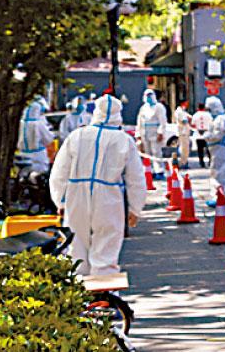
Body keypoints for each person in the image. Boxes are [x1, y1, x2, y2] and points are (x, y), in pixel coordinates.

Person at [49, 94, 147, 276]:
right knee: (106, 251)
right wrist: (135, 208)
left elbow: (59, 172)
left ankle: (79, 291)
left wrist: (60, 201)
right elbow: (136, 179)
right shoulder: (124, 140)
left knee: (76, 251)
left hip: (76, 196)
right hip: (109, 199)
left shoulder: (77, 136)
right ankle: (104, 291)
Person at [204, 97, 225, 206]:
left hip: (220, 149)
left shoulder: (221, 119)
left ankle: (219, 197)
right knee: (215, 173)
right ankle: (217, 196)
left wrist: (207, 136)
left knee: (219, 174)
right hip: (216, 150)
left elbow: (217, 134)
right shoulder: (217, 118)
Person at [17, 96, 55, 173]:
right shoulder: (38, 123)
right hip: (38, 157)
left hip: (24, 155)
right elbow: (48, 139)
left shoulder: (22, 123)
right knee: (40, 175)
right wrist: (51, 133)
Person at [137, 89, 167, 167]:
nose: (148, 97)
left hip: (155, 132)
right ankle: (149, 169)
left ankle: (159, 169)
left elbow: (163, 121)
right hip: (145, 132)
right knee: (147, 153)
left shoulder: (159, 107)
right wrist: (138, 134)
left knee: (156, 152)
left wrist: (160, 132)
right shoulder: (143, 108)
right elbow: (139, 122)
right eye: (147, 96)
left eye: (150, 95)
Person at [192, 99, 212, 168]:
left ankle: (201, 162)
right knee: (208, 149)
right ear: (204, 108)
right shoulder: (208, 115)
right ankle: (210, 162)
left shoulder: (195, 115)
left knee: (200, 150)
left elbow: (193, 124)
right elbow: (211, 124)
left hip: (198, 134)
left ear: (198, 108)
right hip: (207, 133)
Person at [175, 99, 192, 169]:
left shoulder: (183, 111)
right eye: (186, 103)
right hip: (183, 132)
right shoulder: (179, 111)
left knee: (185, 148)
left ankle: (184, 161)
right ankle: (183, 163)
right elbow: (184, 121)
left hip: (185, 132)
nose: (187, 105)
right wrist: (189, 120)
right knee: (184, 148)